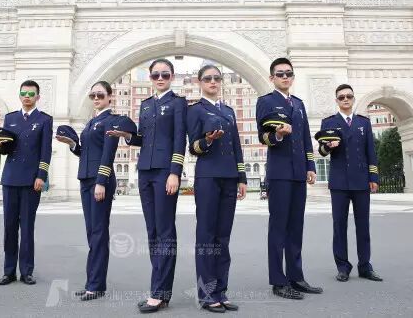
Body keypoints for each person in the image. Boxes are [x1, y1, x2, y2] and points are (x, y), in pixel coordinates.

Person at [108, 58, 187, 313]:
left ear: (172, 76)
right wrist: (128, 136)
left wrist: (175, 172)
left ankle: (159, 292)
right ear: (151, 78)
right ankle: (159, 289)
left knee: (165, 231)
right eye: (155, 75)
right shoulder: (145, 104)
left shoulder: (178, 103)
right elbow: (143, 138)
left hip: (165, 172)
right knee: (152, 231)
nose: (160, 78)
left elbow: (179, 139)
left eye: (165, 74)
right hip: (145, 171)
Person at [256, 57, 322, 300]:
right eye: (280, 73)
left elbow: (305, 138)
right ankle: (278, 281)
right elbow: (263, 136)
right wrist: (278, 136)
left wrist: (310, 165)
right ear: (272, 77)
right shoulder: (266, 101)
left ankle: (296, 277)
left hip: (298, 173)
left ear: (292, 77)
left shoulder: (299, 104)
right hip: (279, 173)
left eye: (288, 73)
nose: (285, 77)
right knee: (279, 228)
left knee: (296, 227)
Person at [187, 64, 247, 313]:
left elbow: (237, 146)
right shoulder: (195, 110)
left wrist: (242, 177)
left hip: (230, 177)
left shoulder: (229, 111)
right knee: (206, 236)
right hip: (208, 177)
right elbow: (193, 147)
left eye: (217, 78)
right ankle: (207, 294)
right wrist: (208, 140)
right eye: (208, 79)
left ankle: (221, 292)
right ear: (200, 83)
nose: (213, 82)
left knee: (223, 237)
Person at [56, 81, 120, 301]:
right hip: (85, 179)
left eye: (100, 95)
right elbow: (85, 152)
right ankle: (93, 282)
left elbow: (108, 153)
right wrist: (72, 144)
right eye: (93, 95)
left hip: (99, 181)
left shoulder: (111, 120)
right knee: (92, 232)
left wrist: (101, 181)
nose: (96, 98)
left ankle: (96, 285)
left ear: (110, 97)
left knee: (99, 233)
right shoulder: (92, 121)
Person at [0, 80, 53, 286]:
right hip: (10, 178)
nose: (27, 96)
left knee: (26, 227)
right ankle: (9, 272)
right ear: (19, 96)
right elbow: (6, 149)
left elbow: (45, 150)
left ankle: (26, 271)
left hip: (31, 181)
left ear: (38, 97)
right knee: (9, 227)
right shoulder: (10, 118)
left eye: (31, 94)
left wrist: (41, 176)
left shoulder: (44, 120)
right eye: (24, 93)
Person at [318, 84, 383, 282]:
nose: (345, 99)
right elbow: (321, 151)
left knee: (363, 226)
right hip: (339, 183)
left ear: (353, 99)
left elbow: (370, 152)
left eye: (349, 96)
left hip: (361, 181)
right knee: (339, 227)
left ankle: (365, 266)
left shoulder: (364, 122)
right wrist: (329, 147)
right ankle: (343, 267)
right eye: (341, 97)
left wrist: (373, 177)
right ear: (336, 100)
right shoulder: (328, 122)